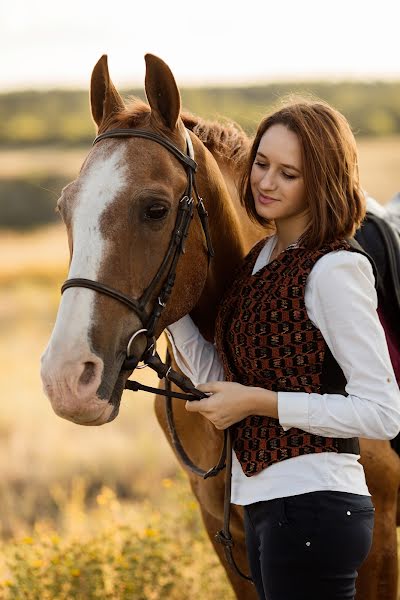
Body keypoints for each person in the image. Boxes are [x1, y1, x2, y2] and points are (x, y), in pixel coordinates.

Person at [165, 99, 400, 600]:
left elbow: (382, 414)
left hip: (318, 507)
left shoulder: (335, 269)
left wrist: (257, 403)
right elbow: (220, 375)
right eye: (262, 164)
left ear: (322, 181)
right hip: (269, 508)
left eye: (288, 173)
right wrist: (172, 303)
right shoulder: (259, 262)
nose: (266, 183)